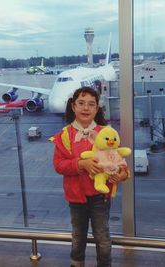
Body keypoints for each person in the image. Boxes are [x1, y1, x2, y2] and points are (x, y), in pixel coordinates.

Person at [50, 86, 129, 267]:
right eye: (81, 103)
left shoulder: (107, 133)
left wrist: (121, 175)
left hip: (100, 197)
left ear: (96, 109)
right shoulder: (64, 136)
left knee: (102, 238)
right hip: (76, 197)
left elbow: (120, 163)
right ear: (73, 107)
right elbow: (58, 165)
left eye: (91, 104)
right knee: (78, 237)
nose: (86, 108)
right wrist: (80, 164)